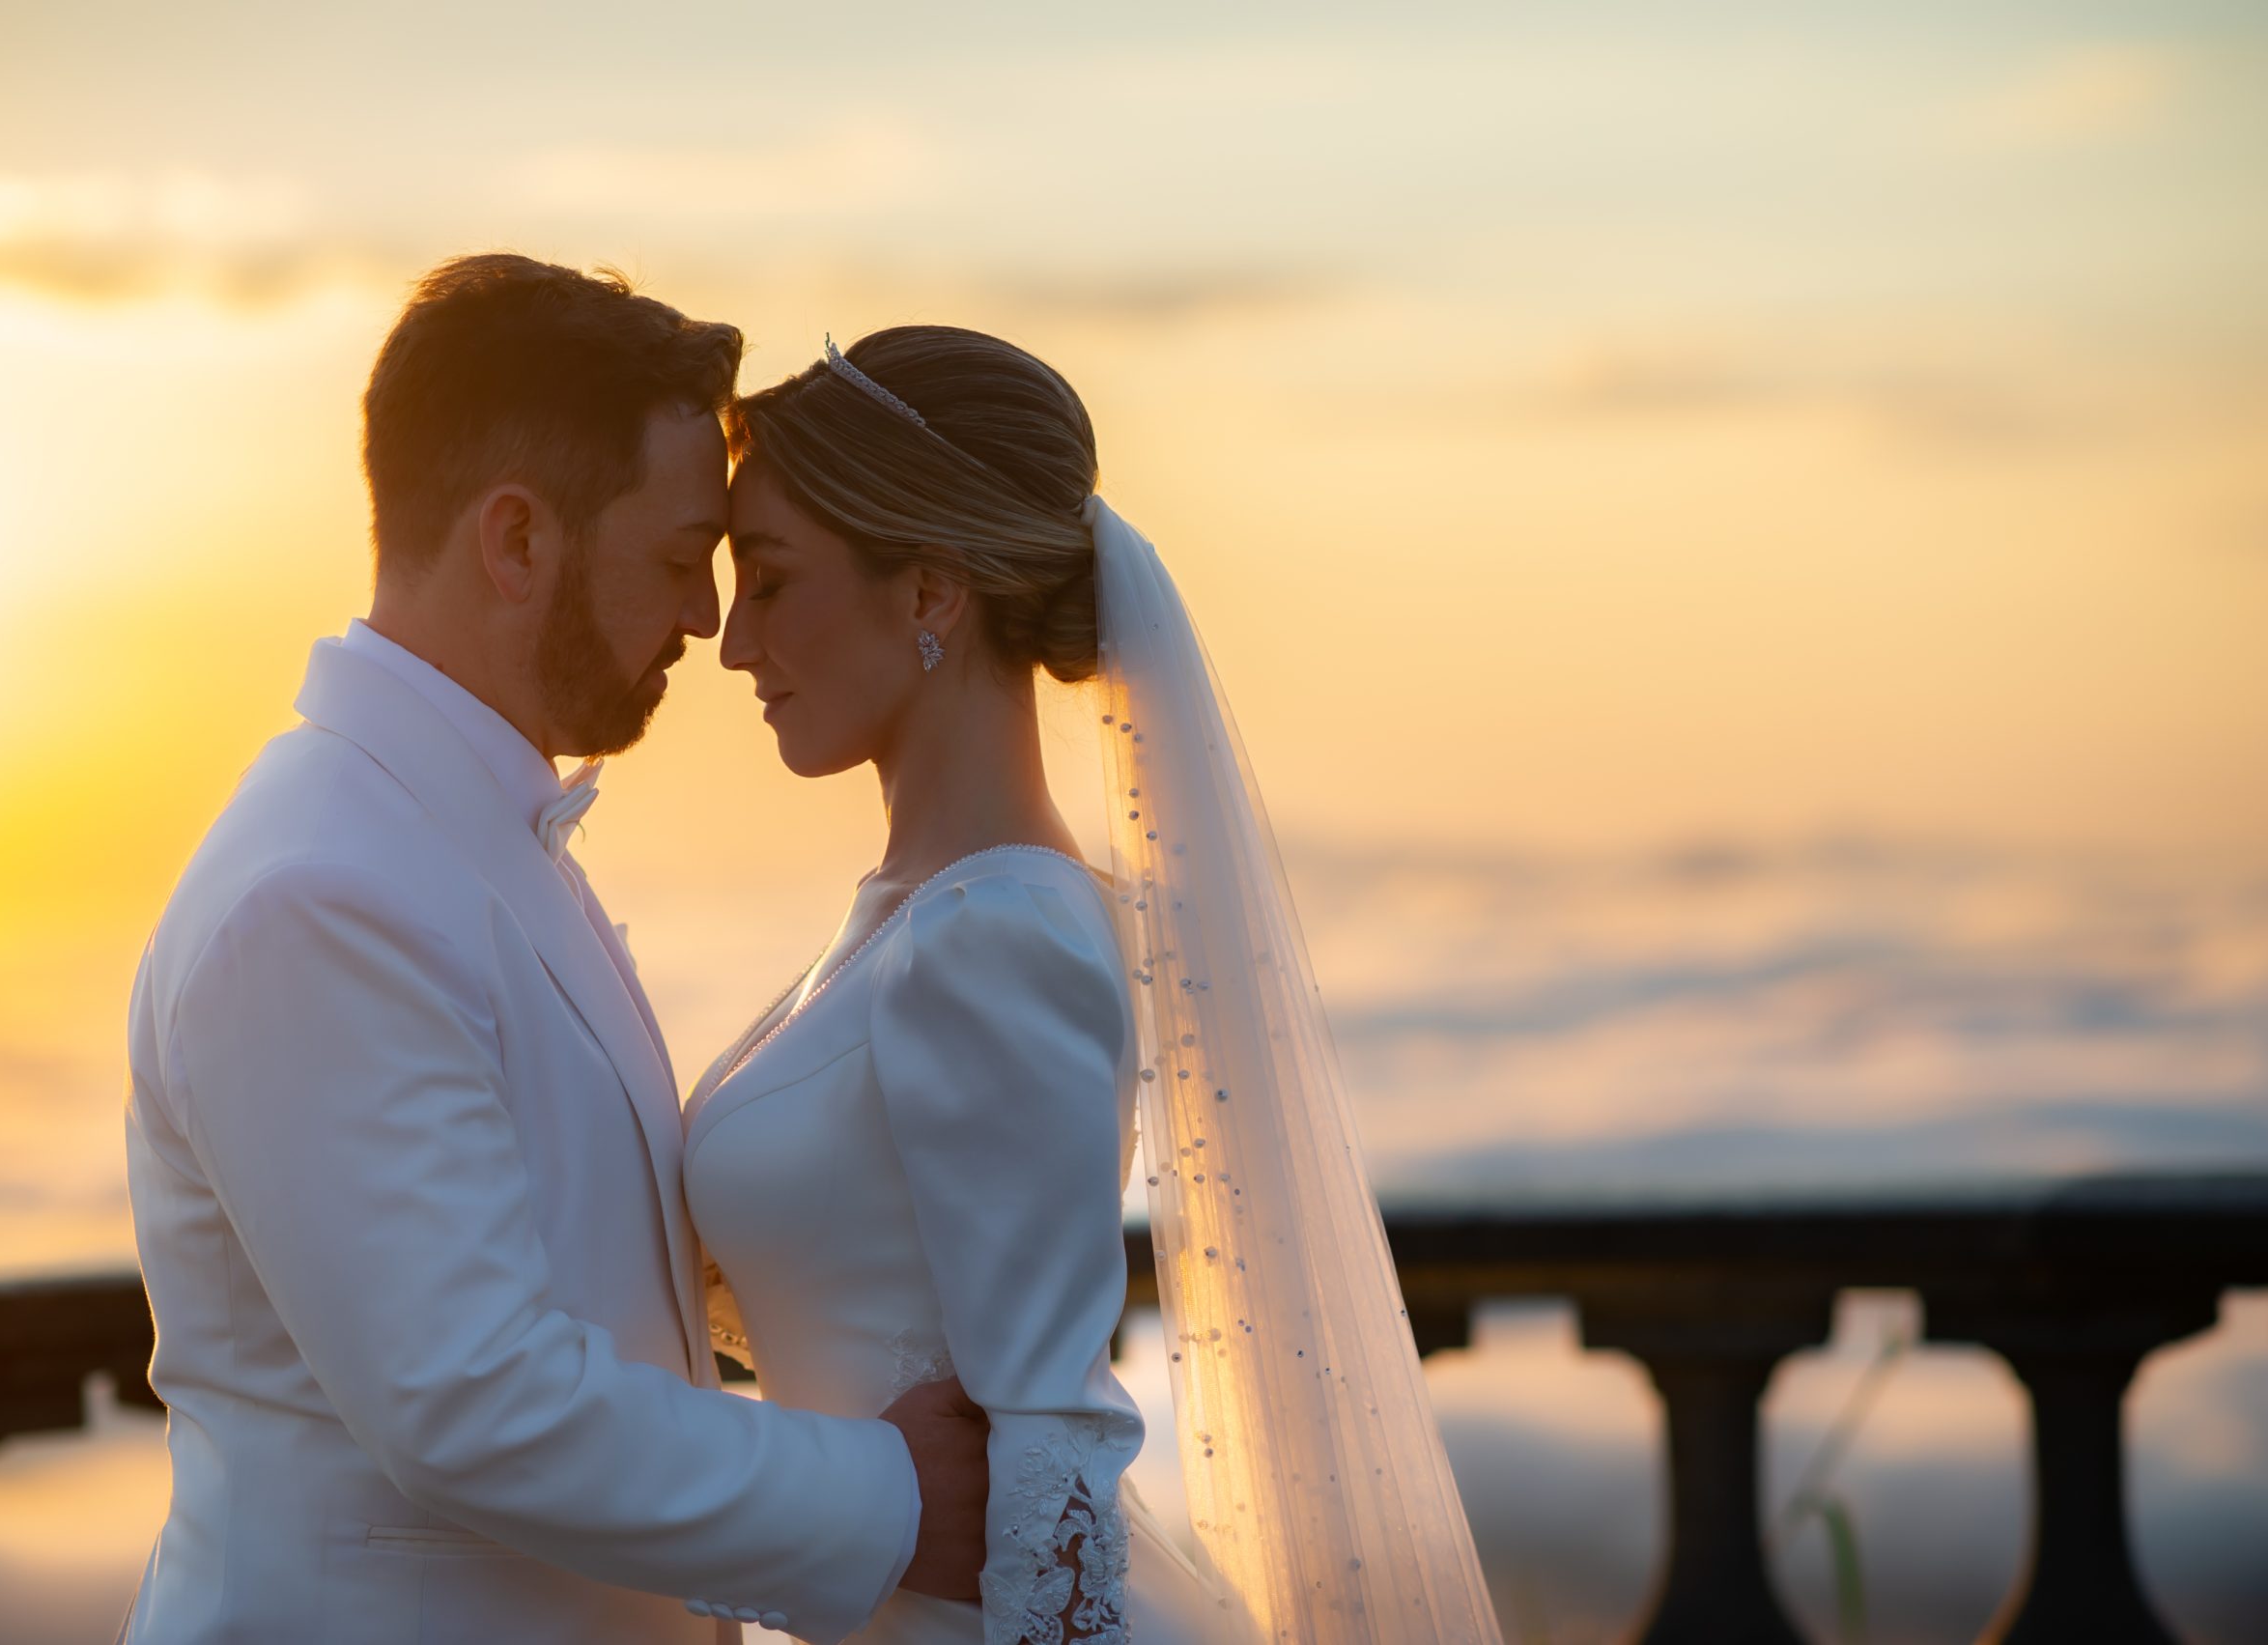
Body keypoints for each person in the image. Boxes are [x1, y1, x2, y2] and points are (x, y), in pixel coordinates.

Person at [119, 255, 990, 1645]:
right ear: (517, 541)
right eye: (675, 558)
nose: (707, 621)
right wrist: (883, 1496)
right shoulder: (322, 891)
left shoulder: (460, 840)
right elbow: (473, 1401)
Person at [690, 327, 1503, 1644]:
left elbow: (1051, 1440)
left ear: (930, 593)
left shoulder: (996, 935)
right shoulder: (915, 917)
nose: (733, 643)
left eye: (771, 580)